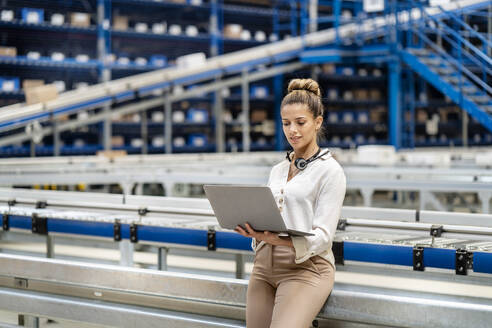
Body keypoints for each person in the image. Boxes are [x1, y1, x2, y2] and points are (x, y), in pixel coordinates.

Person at [235, 78, 346, 328]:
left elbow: (323, 237)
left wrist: (280, 240)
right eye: (286, 123)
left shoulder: (330, 171)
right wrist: (255, 231)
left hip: (305, 270)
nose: (292, 130)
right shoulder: (277, 170)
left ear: (317, 123)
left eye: (300, 122)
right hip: (263, 267)